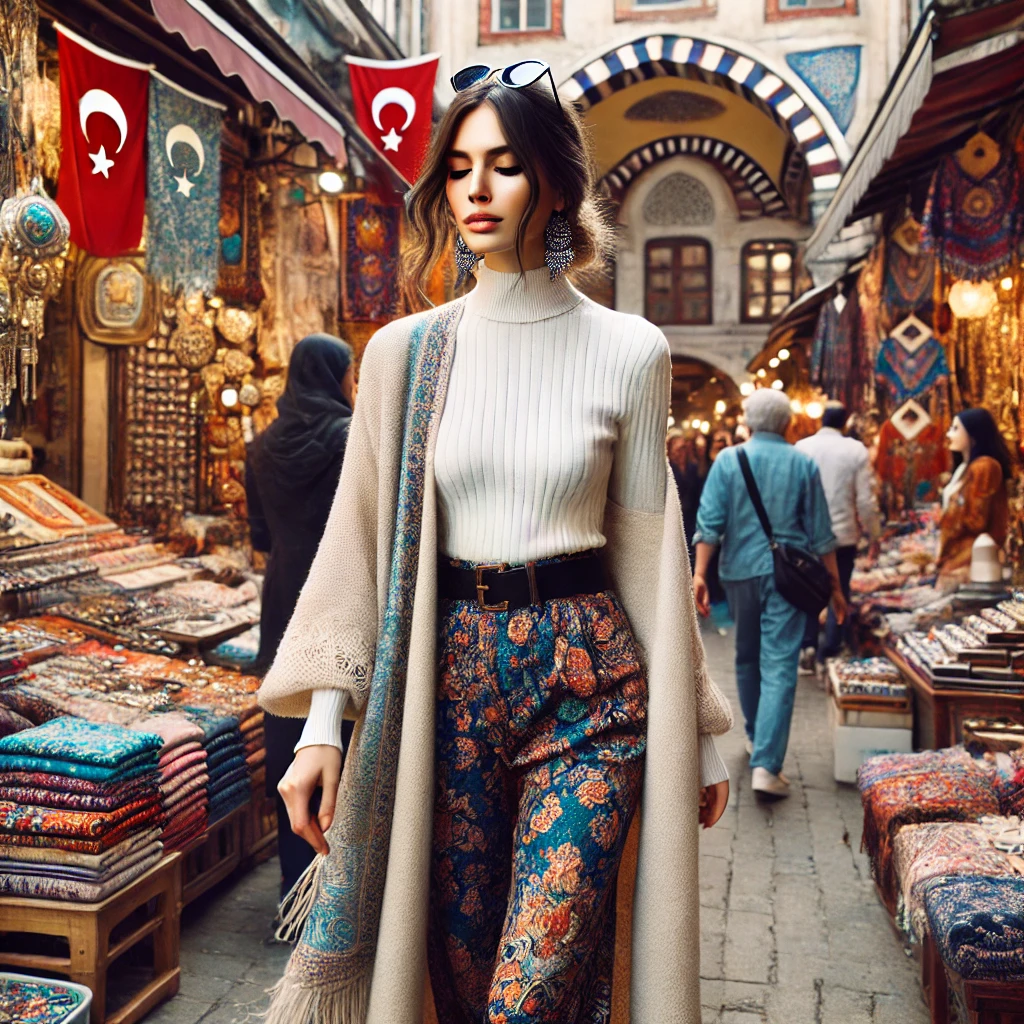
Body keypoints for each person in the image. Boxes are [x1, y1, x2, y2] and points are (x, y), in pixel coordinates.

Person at [257, 62, 733, 1024]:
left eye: (505, 165)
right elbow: (358, 549)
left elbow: (649, 556)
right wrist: (320, 728)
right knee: (462, 982)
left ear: (554, 183)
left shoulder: (631, 350)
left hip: (590, 685)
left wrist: (703, 737)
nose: (476, 189)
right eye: (461, 166)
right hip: (449, 684)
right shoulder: (405, 354)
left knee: (533, 989)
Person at [693, 387, 846, 798]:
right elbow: (821, 535)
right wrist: (836, 590)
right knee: (780, 664)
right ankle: (766, 763)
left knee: (746, 656)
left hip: (739, 572)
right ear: (788, 423)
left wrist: (700, 573)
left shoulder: (728, 460)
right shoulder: (802, 463)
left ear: (748, 420)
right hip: (789, 578)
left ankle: (755, 737)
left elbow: (709, 522)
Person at [245, 333, 355, 897]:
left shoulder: (261, 445)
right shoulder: (348, 438)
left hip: (284, 599)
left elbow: (260, 535)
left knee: (291, 742)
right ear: (335, 376)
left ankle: (294, 888)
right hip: (339, 598)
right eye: (349, 373)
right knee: (340, 742)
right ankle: (337, 891)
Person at [795, 401, 881, 674]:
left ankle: (807, 645)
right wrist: (874, 533)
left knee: (808, 588)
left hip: (807, 535)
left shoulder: (801, 447)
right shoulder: (855, 450)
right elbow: (866, 501)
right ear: (844, 423)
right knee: (838, 590)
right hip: (842, 534)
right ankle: (829, 650)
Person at [938, 408, 1013, 584]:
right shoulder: (965, 468)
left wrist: (949, 517)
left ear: (973, 434)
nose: (949, 434)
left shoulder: (984, 467)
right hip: (959, 555)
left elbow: (977, 520)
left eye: (955, 429)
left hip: (973, 561)